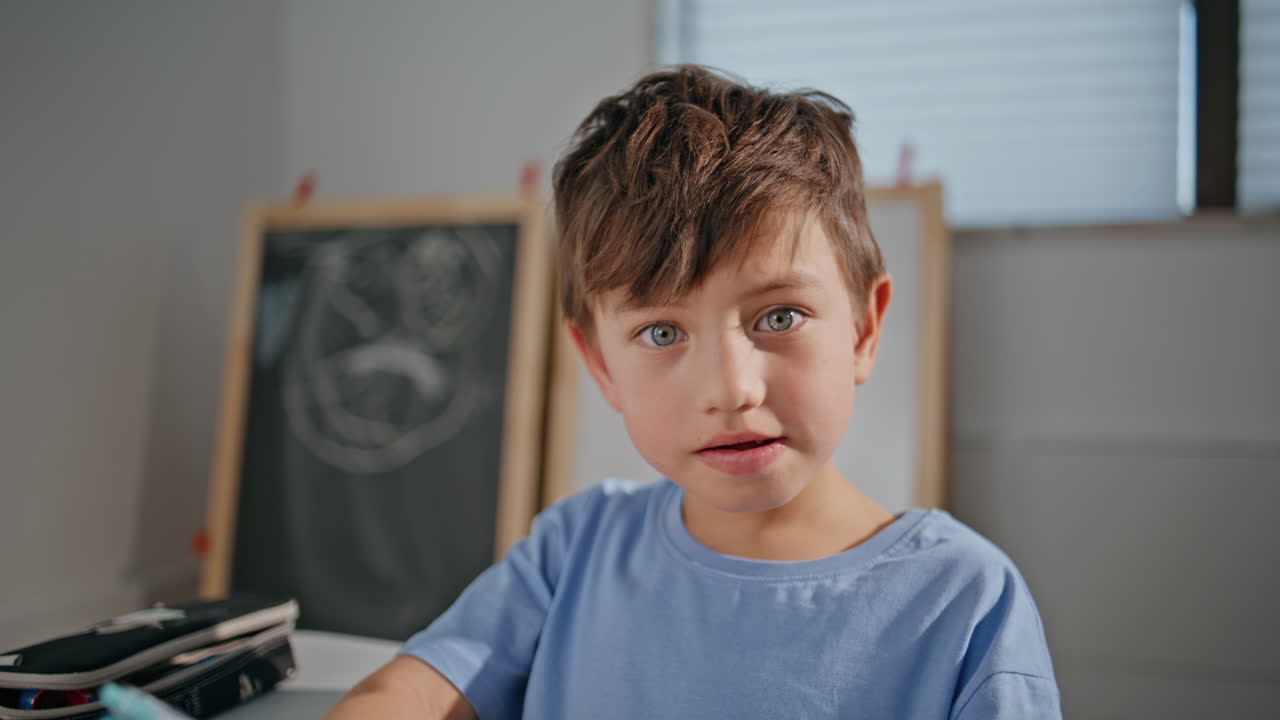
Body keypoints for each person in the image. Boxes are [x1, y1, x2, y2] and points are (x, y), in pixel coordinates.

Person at [324, 64, 1061, 719]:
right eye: (662, 333)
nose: (733, 389)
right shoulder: (571, 553)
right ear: (601, 366)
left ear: (865, 330)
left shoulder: (964, 604)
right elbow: (411, 692)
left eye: (779, 316)